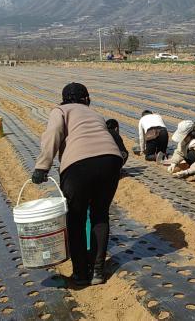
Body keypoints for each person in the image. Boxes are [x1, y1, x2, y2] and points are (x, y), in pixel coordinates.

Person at [32, 83, 123, 286]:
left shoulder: (61, 110)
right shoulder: (95, 114)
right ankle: (97, 271)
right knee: (100, 214)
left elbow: (53, 133)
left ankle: (81, 273)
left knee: (76, 218)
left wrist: (42, 167)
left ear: (64, 98)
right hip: (111, 161)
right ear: (86, 99)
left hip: (79, 165)